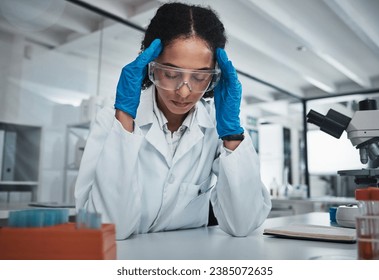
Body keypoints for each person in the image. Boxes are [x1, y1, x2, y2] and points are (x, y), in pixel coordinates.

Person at [75, 2, 271, 240]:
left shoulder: (213, 131)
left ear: (214, 77)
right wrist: (125, 119)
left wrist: (231, 132)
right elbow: (108, 228)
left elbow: (243, 224)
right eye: (170, 74)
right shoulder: (112, 122)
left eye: (199, 77)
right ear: (151, 67)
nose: (184, 92)